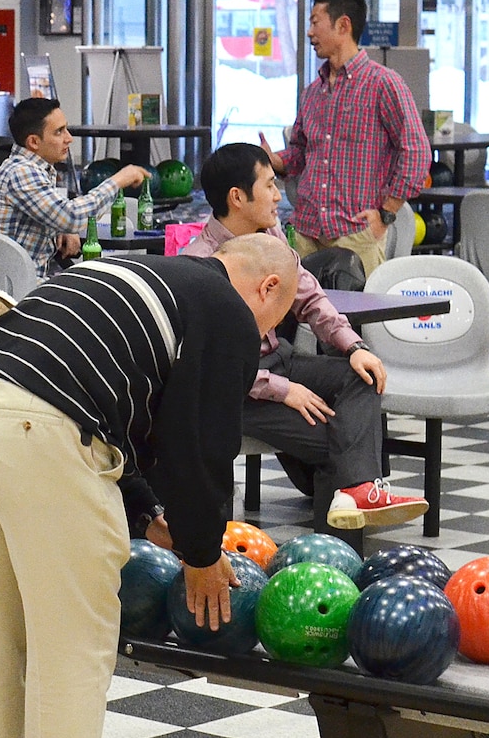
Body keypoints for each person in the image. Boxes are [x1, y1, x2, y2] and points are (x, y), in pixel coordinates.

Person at [0, 234, 298, 738]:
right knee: (73, 639)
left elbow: (120, 411)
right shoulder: (226, 311)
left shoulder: (145, 273)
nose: (266, 339)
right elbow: (200, 446)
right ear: (266, 287)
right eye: (277, 321)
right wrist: (199, 548)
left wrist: (147, 512)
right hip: (38, 427)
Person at [179, 143, 425, 535]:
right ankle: (338, 563)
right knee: (340, 445)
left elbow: (309, 294)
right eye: (270, 185)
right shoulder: (198, 264)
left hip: (279, 358)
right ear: (238, 197)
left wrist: (354, 346)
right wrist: (283, 389)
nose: (280, 196)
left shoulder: (271, 235)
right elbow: (210, 365)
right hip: (233, 388)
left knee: (359, 376)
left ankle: (358, 491)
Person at [262, 0, 427, 278]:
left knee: (357, 322)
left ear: (343, 25)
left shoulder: (383, 84)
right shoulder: (313, 91)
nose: (310, 33)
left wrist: (386, 213)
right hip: (306, 232)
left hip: (357, 232)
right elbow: (301, 151)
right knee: (300, 321)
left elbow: (415, 151)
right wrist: (276, 161)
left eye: (315, 22)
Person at [0, 97, 149, 277]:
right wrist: (118, 181)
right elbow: (72, 217)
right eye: (59, 132)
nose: (69, 138)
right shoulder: (22, 173)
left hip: (13, 283)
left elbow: (59, 216)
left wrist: (60, 228)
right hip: (18, 290)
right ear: (34, 142)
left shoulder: (26, 168)